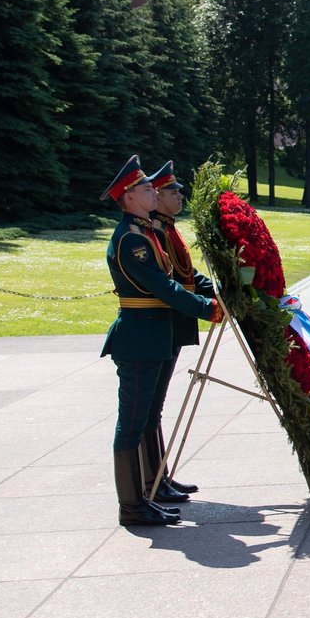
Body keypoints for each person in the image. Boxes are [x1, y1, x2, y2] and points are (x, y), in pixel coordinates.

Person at [100, 156, 220, 527]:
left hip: (155, 335)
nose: (154, 191)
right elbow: (163, 288)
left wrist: (212, 297)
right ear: (129, 197)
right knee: (132, 422)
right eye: (146, 188)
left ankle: (150, 488)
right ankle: (132, 504)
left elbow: (178, 278)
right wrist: (206, 307)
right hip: (139, 338)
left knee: (149, 415)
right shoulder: (130, 240)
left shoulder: (147, 233)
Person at [143, 161, 216, 505]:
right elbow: (170, 285)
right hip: (164, 323)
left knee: (155, 407)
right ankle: (153, 480)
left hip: (173, 323)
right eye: (173, 192)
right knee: (150, 407)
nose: (179, 196)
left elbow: (187, 274)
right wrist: (206, 305)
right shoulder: (154, 233)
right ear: (157, 197)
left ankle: (160, 476)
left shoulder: (167, 229)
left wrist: (217, 290)